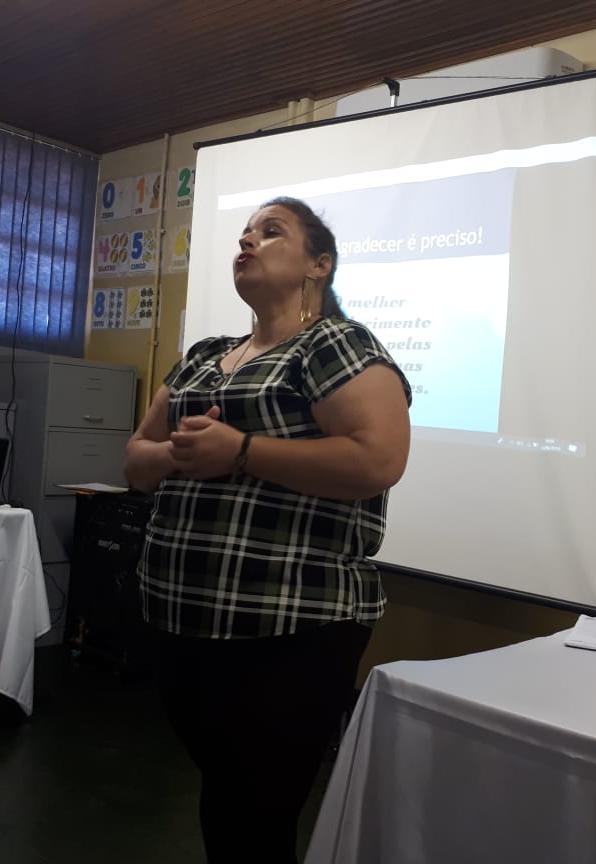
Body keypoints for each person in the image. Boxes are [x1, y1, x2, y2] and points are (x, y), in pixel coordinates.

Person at [124, 197, 412, 863]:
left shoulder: (335, 344)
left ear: (319, 264)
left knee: (254, 814)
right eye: (245, 232)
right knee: (228, 799)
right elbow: (136, 462)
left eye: (271, 231)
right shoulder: (204, 356)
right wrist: (179, 455)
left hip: (292, 627)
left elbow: (378, 460)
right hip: (179, 617)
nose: (247, 240)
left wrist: (242, 452)